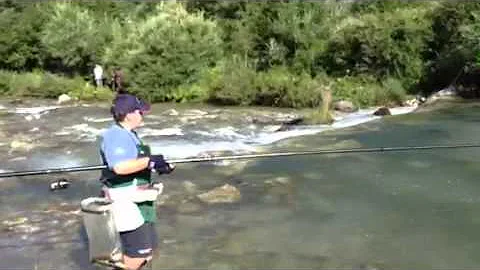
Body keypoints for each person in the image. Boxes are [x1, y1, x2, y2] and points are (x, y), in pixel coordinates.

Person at [99, 93, 175, 270]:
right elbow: (119, 167)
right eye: (140, 112)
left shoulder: (130, 134)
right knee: (136, 256)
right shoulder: (115, 135)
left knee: (147, 252)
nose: (143, 115)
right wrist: (150, 161)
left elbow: (136, 164)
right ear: (129, 114)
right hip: (125, 203)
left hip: (139, 202)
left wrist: (158, 167)